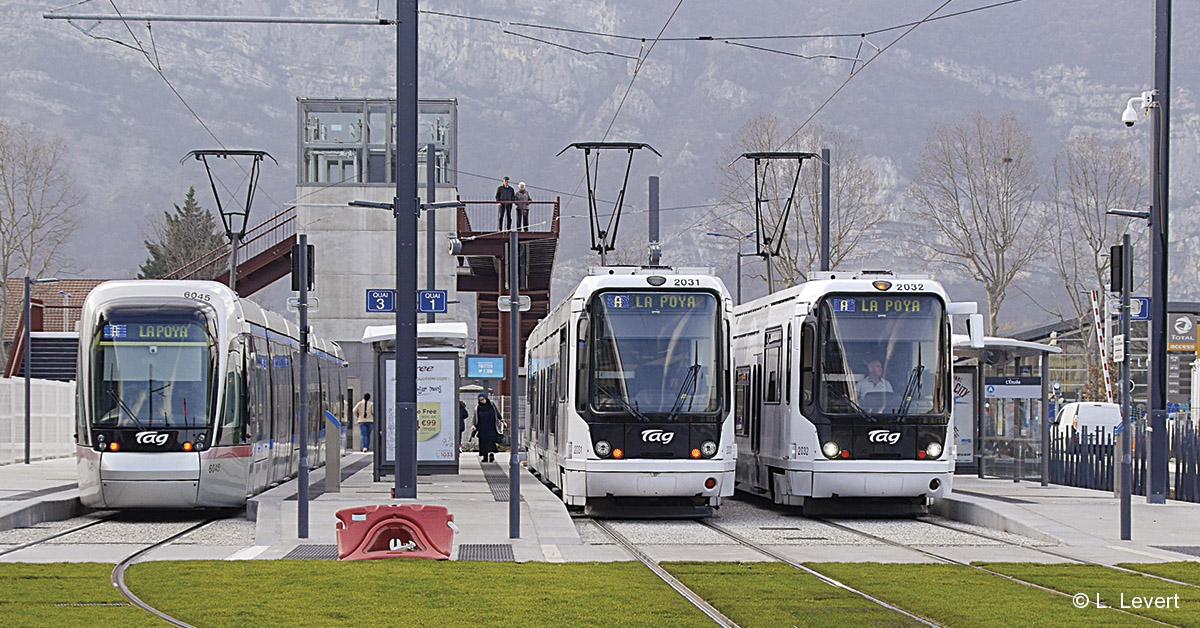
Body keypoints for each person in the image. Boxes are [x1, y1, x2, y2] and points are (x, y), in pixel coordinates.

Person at [471, 393, 503, 462]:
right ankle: (485, 457)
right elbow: (475, 418)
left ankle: (491, 455)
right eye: (480, 400)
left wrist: (501, 420)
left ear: (486, 398)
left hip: (492, 427)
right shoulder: (477, 408)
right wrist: (473, 425)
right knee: (483, 443)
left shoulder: (492, 405)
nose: (481, 401)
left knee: (491, 442)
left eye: (482, 399)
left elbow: (497, 413)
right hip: (482, 428)